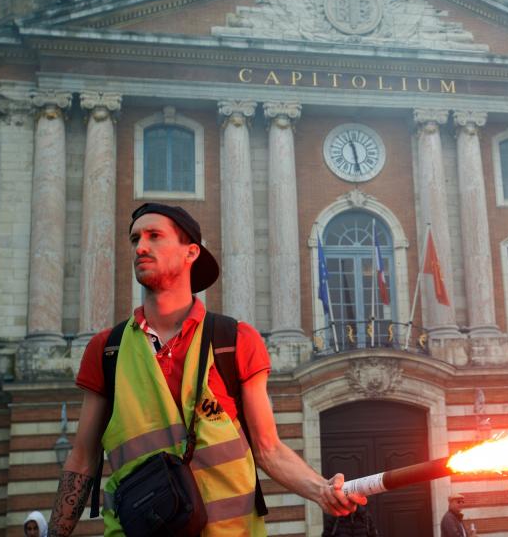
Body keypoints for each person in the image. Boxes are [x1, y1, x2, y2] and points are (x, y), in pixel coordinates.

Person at [46, 203, 364, 536]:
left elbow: (269, 450)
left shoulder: (236, 340)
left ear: (191, 252)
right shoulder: (106, 349)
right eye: (135, 238)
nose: (140, 247)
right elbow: (82, 460)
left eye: (155, 236)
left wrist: (321, 489)